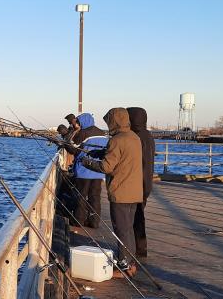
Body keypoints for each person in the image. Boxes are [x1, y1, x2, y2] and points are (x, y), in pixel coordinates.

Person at [80, 107, 143, 278]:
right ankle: (130, 264)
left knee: (121, 230)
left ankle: (123, 268)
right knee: (128, 229)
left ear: (114, 121)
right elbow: (121, 155)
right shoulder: (133, 137)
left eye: (109, 121)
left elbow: (106, 167)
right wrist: (100, 152)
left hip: (121, 191)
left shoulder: (117, 140)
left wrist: (86, 162)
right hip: (134, 191)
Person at [62, 113, 107, 228]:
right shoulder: (102, 133)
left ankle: (78, 220)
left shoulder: (84, 133)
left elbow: (73, 149)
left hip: (84, 170)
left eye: (78, 121)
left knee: (81, 196)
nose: (77, 124)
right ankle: (94, 222)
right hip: (98, 171)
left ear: (83, 122)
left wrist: (66, 141)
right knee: (95, 197)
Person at [127, 107, 155, 258]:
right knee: (139, 217)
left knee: (132, 219)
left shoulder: (135, 136)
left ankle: (133, 250)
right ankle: (141, 248)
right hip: (146, 182)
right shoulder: (148, 135)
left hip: (135, 183)